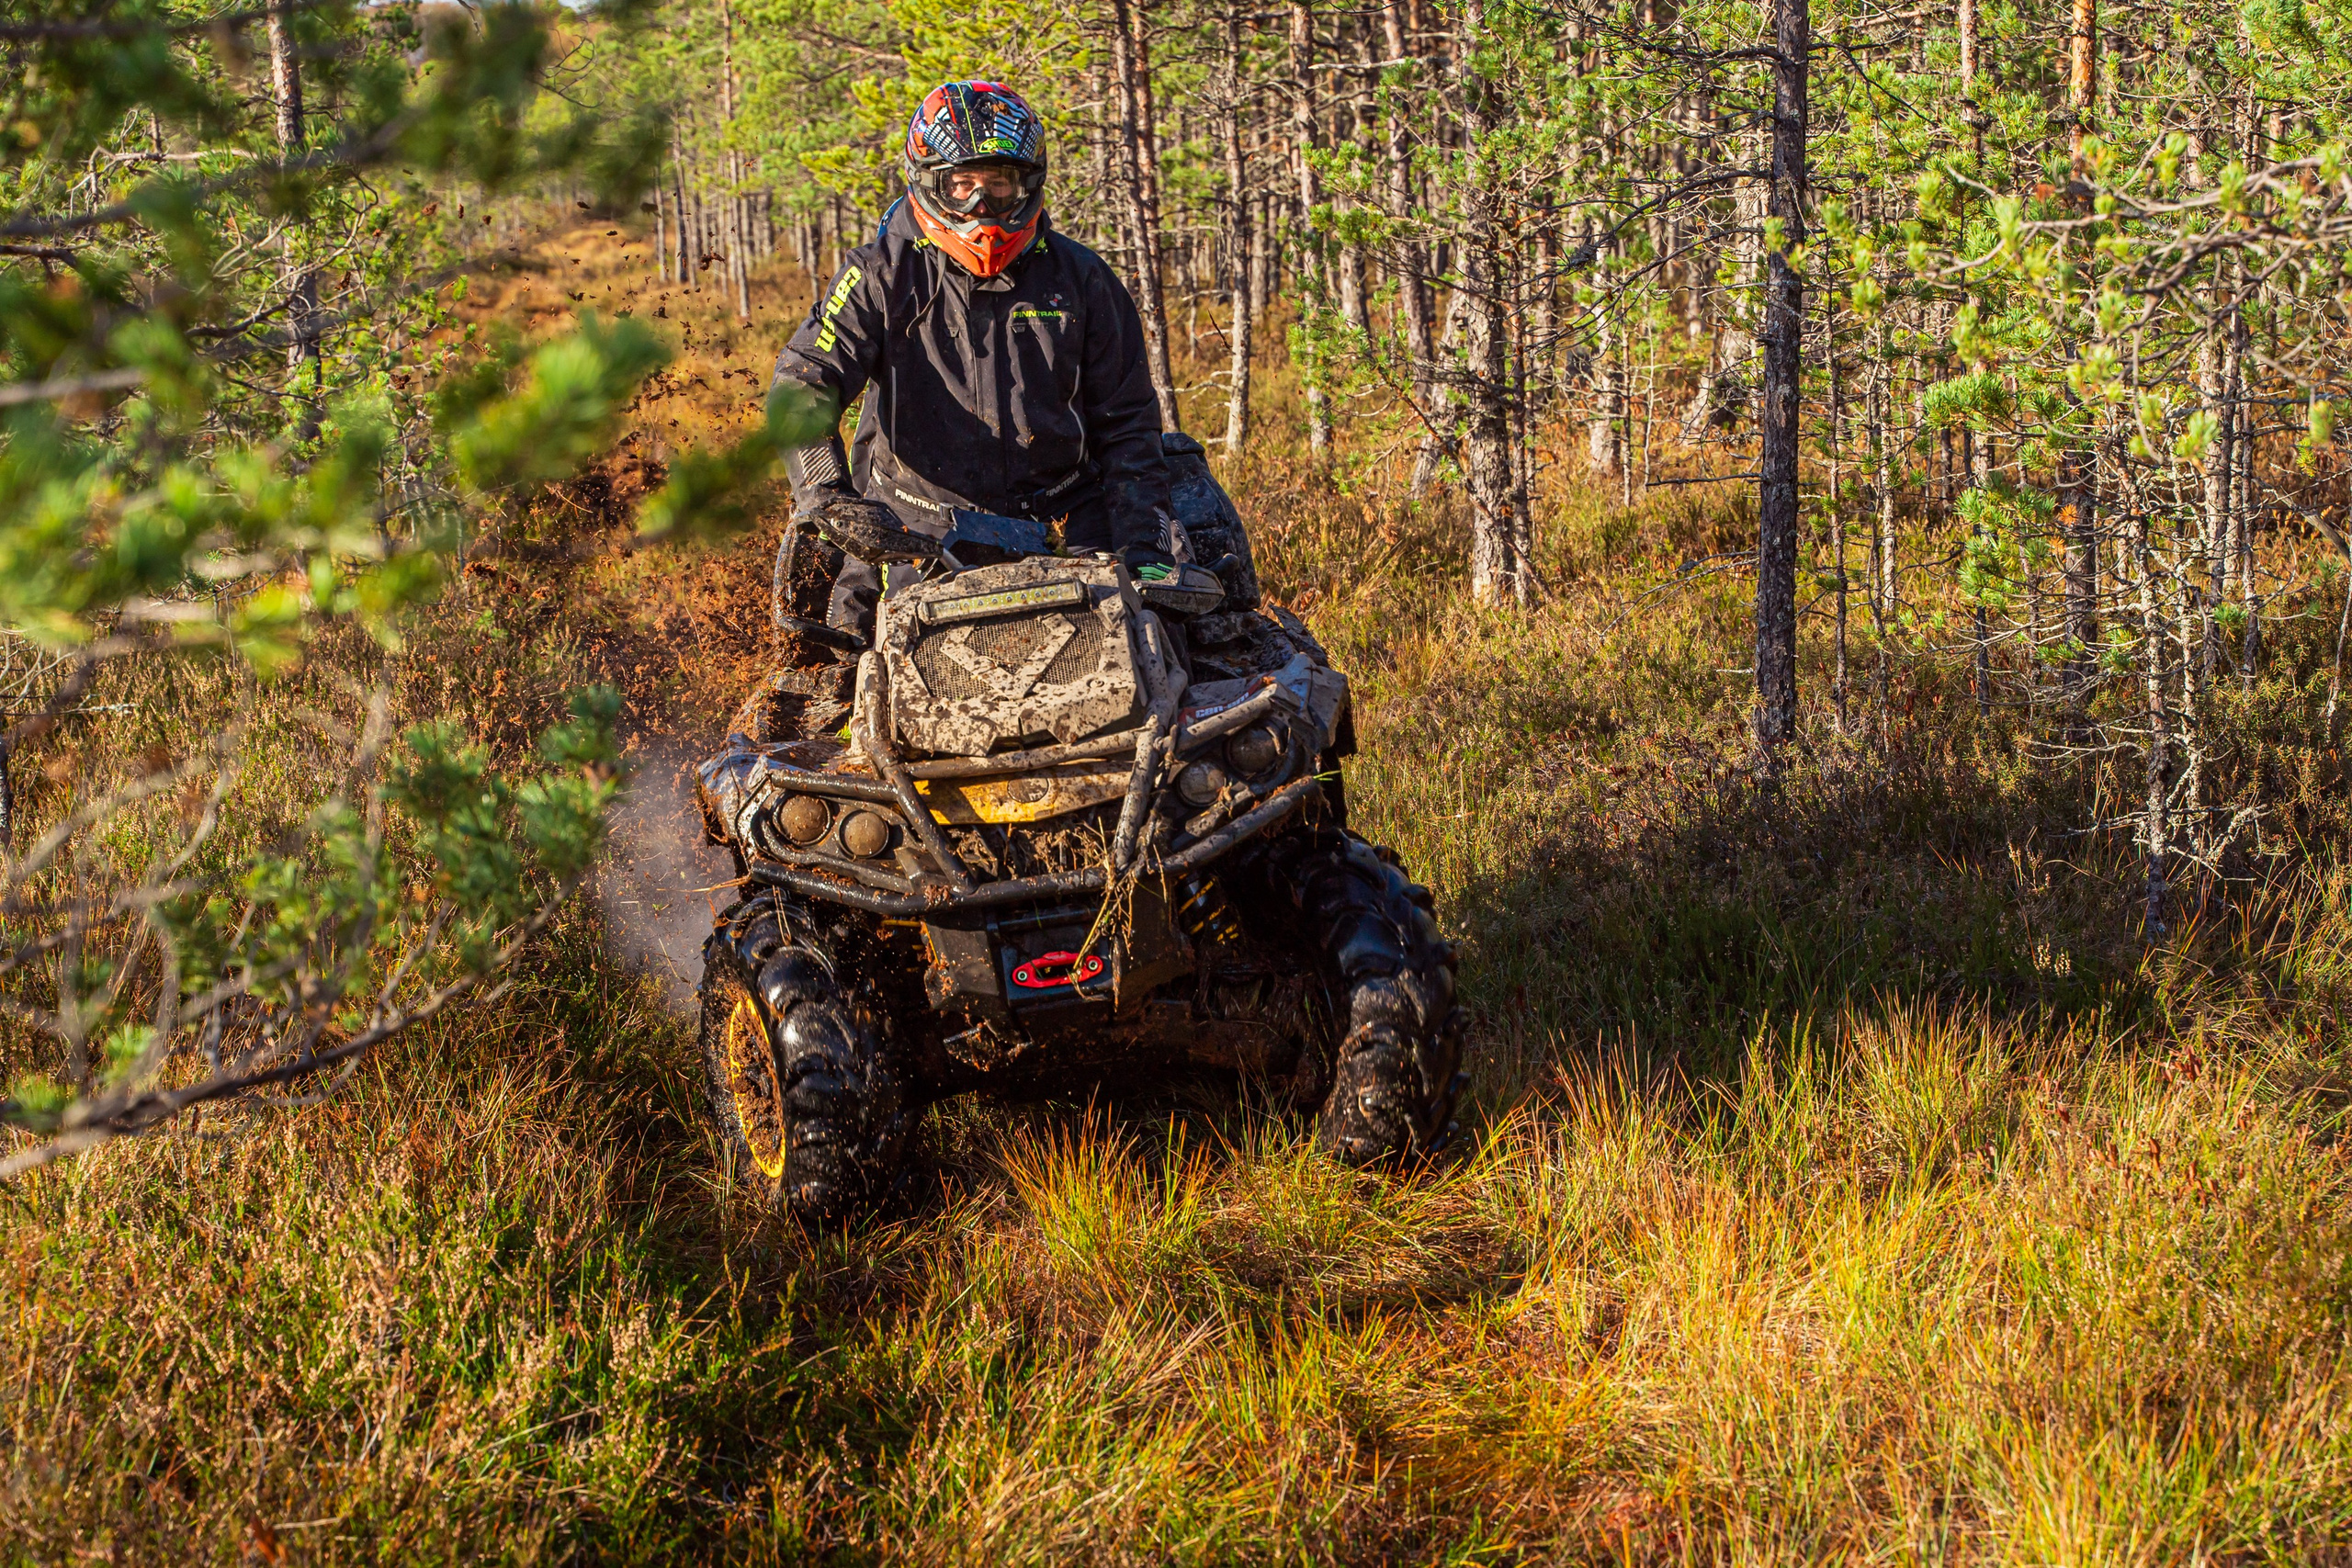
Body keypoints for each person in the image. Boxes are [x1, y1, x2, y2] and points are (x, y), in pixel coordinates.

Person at [767, 80, 1177, 649]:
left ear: (1027, 184)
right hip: (915, 527)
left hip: (1062, 522)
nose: (980, 207)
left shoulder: (1082, 279)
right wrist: (828, 495)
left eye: (998, 185)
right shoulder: (881, 274)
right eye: (962, 185)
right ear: (931, 183)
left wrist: (1144, 550)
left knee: (1156, 655)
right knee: (847, 683)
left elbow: (1129, 426)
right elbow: (802, 379)